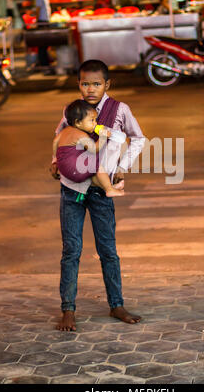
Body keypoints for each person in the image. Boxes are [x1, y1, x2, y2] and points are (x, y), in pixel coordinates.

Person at [51, 59, 145, 331]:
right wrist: (55, 161)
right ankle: (68, 309)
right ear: (78, 84)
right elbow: (60, 137)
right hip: (72, 188)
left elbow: (137, 138)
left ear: (107, 84)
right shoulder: (73, 110)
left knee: (108, 250)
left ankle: (116, 304)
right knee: (71, 250)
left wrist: (122, 168)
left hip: (101, 191)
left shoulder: (119, 110)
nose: (90, 88)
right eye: (84, 83)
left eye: (96, 83)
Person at [52, 99, 124, 198]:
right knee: (96, 164)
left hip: (64, 170)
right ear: (78, 123)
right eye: (92, 120)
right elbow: (94, 148)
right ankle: (109, 189)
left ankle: (108, 187)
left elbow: (55, 141)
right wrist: (103, 137)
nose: (95, 123)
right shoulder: (81, 135)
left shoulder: (64, 131)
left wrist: (56, 160)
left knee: (92, 173)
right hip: (75, 170)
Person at [35, 0, 51, 67]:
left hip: (46, 21)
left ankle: (45, 62)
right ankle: (44, 64)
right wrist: (37, 22)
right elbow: (38, 10)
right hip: (42, 22)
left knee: (45, 43)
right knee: (42, 44)